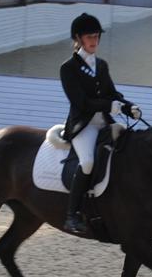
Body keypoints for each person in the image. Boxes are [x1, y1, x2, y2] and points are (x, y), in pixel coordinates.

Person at [59, 12, 141, 235]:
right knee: (87, 163)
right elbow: (81, 103)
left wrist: (127, 106)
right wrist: (109, 106)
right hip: (82, 126)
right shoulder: (68, 68)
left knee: (128, 150)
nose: (94, 41)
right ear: (78, 39)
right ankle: (72, 215)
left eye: (96, 36)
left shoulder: (101, 65)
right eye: (89, 37)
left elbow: (112, 93)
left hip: (104, 122)